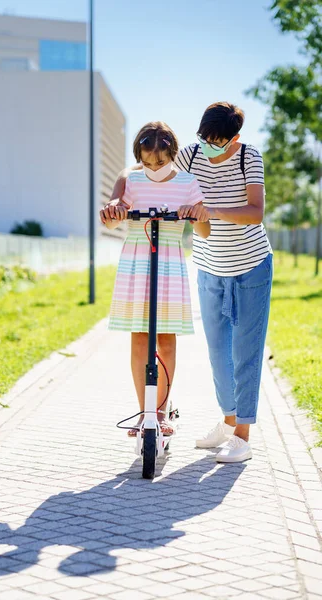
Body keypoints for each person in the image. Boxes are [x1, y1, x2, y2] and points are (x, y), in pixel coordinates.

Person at [102, 103, 273, 463]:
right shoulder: (190, 156)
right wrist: (118, 198)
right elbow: (142, 168)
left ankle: (242, 435)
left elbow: (256, 213)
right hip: (210, 265)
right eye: (204, 138)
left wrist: (208, 212)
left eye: (217, 141)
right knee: (217, 352)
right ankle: (226, 424)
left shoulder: (249, 158)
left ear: (234, 139)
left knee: (245, 349)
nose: (208, 145)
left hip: (250, 263)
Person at [100, 121, 210, 437]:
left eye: (159, 162)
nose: (153, 167)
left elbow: (204, 231)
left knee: (165, 339)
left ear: (171, 154)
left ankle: (160, 412)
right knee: (138, 338)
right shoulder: (132, 180)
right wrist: (112, 213)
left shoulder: (189, 183)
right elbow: (112, 219)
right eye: (147, 162)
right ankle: (144, 412)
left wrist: (198, 214)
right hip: (136, 265)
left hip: (171, 265)